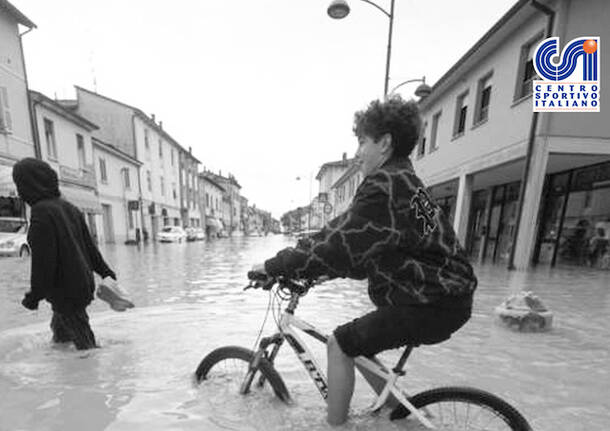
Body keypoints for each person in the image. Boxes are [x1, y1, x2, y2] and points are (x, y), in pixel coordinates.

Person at [252, 96, 477, 425]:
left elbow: (338, 246)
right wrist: (318, 266)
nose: (358, 153)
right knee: (361, 345)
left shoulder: (384, 186)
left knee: (340, 343)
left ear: (384, 143)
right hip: (445, 296)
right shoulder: (406, 182)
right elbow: (351, 239)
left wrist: (273, 266)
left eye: (362, 142)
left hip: (432, 300)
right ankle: (403, 415)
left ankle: (336, 426)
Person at [12, 158, 117, 350]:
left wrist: (34, 296)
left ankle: (90, 377)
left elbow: (44, 263)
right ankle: (68, 366)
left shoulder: (41, 213)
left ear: (29, 185)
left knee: (85, 347)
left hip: (65, 291)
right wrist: (106, 272)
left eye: (19, 185)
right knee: (62, 337)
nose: (18, 191)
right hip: (81, 285)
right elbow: (90, 248)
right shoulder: (70, 208)